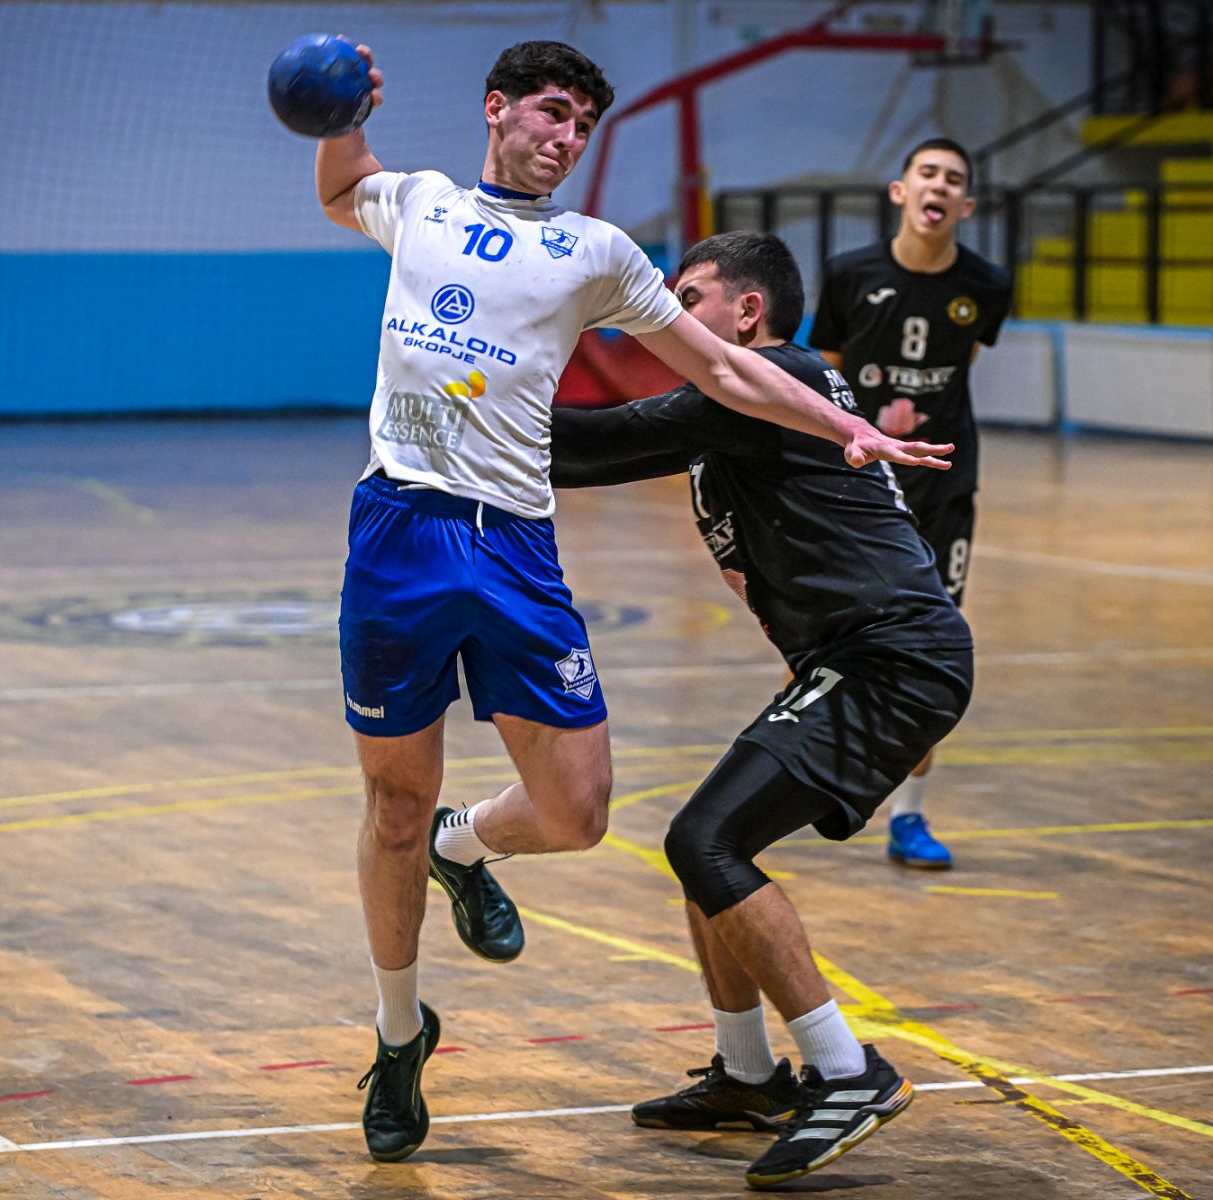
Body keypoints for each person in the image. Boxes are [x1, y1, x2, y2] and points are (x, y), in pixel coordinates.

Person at [312, 40, 956, 1163]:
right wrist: (339, 114)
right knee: (394, 808)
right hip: (399, 533)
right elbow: (338, 185)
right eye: (552, 113)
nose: (566, 137)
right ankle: (400, 1032)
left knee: (578, 814)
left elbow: (726, 370)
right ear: (497, 108)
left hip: (516, 548)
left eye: (583, 125)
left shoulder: (597, 251)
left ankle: (470, 847)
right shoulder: (419, 203)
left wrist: (844, 424)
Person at [548, 231, 973, 1189]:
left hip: (893, 658)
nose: (668, 313)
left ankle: (848, 1073)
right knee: (708, 844)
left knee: (706, 842)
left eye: (687, 296)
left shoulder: (775, 379)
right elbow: (592, 456)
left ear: (748, 312)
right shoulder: (739, 406)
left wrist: (463, 394)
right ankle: (747, 1076)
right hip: (855, 657)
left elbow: (595, 440)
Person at [806, 136, 1011, 870]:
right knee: (829, 645)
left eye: (954, 179)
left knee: (931, 653)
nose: (939, 186)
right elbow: (825, 380)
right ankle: (806, 776)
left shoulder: (987, 285)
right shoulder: (849, 275)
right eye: (928, 173)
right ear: (900, 191)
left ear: (967, 204)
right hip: (858, 493)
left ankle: (909, 816)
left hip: (943, 490)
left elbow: (962, 367)